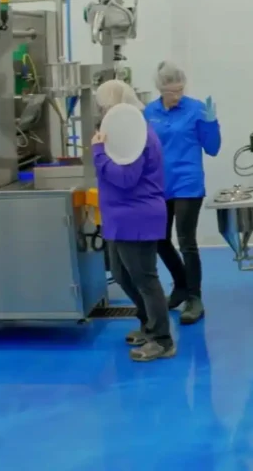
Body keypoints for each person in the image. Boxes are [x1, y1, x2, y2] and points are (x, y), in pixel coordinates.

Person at [93, 80, 175, 361]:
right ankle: (148, 324)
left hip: (136, 216)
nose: (101, 113)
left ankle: (162, 340)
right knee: (121, 275)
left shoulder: (135, 134)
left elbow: (125, 179)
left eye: (104, 107)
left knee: (145, 279)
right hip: (121, 217)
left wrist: (98, 154)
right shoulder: (124, 132)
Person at [144, 61, 222, 325]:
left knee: (186, 240)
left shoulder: (196, 109)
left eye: (179, 90)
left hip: (188, 183)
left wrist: (211, 123)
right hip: (158, 184)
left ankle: (194, 298)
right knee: (159, 240)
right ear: (160, 88)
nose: (176, 96)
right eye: (170, 91)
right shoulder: (149, 112)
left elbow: (212, 148)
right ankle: (180, 285)